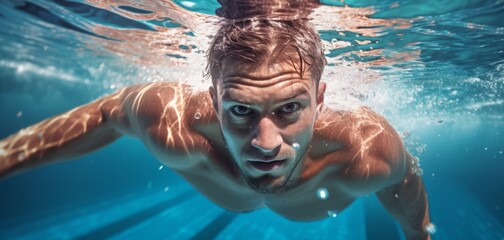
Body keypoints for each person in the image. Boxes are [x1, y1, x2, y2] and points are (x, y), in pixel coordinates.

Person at [0, 4, 431, 240]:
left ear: (320, 99)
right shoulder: (175, 125)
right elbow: (104, 114)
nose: (264, 143)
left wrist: (419, 236)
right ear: (213, 99)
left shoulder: (365, 150)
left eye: (289, 109)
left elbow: (406, 180)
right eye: (241, 110)